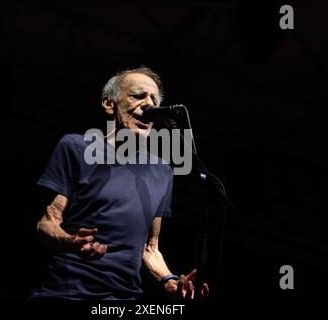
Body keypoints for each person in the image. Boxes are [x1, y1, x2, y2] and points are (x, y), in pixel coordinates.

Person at [29, 67, 209, 300]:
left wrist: (170, 281)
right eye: (138, 96)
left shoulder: (161, 172)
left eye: (154, 99)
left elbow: (149, 249)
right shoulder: (76, 147)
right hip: (66, 292)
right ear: (108, 104)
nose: (149, 104)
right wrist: (71, 242)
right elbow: (46, 223)